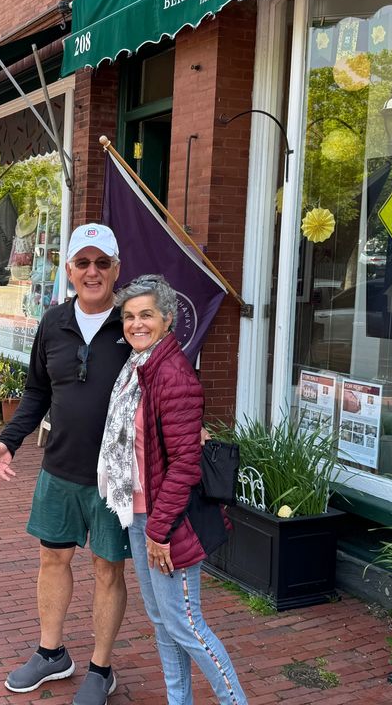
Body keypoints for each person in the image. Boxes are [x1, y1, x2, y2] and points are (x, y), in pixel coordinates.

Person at [0, 224, 132, 705]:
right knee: (53, 558)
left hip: (116, 477)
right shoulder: (52, 323)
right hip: (60, 468)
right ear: (68, 269)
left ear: (116, 268)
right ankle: (52, 655)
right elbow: (37, 391)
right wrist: (10, 440)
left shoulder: (133, 324)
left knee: (108, 570)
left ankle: (100, 669)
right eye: (82, 263)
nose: (92, 272)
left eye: (101, 263)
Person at [101, 275, 248, 705]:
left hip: (167, 521)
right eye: (129, 316)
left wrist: (159, 530)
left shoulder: (172, 374)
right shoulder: (137, 369)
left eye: (146, 314)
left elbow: (184, 465)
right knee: (163, 622)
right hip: (140, 512)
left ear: (168, 319)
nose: (136, 324)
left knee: (185, 623)